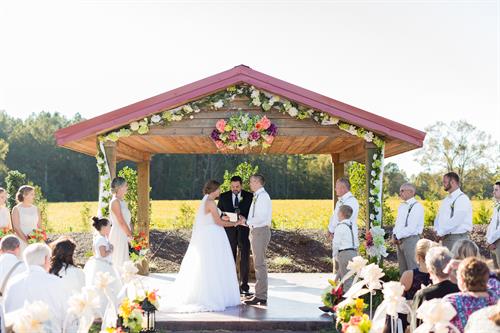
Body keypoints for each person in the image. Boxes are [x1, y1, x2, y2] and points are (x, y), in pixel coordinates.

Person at [161, 180, 244, 312]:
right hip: (212, 237)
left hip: (213, 235)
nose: (220, 191)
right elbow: (218, 222)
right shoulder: (210, 202)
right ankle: (212, 295)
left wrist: (229, 217)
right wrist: (237, 223)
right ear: (214, 190)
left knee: (212, 265)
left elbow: (216, 217)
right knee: (213, 265)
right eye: (219, 189)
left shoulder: (208, 201)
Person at [3, 243, 67, 332]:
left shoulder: (12, 282)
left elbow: (7, 313)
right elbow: (67, 315)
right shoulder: (56, 282)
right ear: (46, 259)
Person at [388, 239, 435, 332]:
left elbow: (397, 303)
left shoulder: (408, 276)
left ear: (418, 257)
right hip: (433, 325)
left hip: (411, 325)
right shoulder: (439, 277)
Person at [217, 175, 253, 296]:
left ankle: (244, 286)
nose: (235, 189)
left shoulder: (249, 196)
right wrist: (224, 216)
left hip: (244, 232)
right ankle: (230, 286)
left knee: (244, 259)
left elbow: (253, 213)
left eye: (237, 186)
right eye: (232, 187)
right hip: (229, 232)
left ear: (241, 185)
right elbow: (219, 212)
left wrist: (245, 218)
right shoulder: (223, 196)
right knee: (229, 259)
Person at [443, 257, 500, 332]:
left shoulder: (452, 301)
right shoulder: (495, 296)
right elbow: (492, 274)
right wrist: (464, 265)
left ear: (462, 280)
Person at [412, 246, 459, 329]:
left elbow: (416, 327)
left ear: (430, 270)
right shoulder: (459, 291)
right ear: (450, 269)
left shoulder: (423, 295)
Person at [242, 174, 272, 306]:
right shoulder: (258, 196)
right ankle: (259, 294)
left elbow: (260, 217)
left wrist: (246, 222)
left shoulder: (263, 197)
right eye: (250, 181)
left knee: (260, 264)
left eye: (253, 181)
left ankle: (261, 296)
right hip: (256, 231)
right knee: (258, 264)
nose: (251, 183)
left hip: (260, 231)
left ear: (260, 183)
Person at [84, 217, 121, 317]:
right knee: (106, 287)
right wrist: (111, 250)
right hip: (103, 266)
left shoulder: (101, 237)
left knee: (107, 287)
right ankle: (104, 308)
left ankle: (108, 306)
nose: (110, 228)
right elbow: (103, 254)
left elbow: (94, 251)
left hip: (103, 264)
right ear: (104, 227)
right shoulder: (101, 239)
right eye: (109, 226)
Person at [434, 172, 473, 251]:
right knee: (448, 263)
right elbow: (438, 217)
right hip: (445, 237)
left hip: (457, 238)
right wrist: (437, 230)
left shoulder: (462, 198)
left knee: (457, 263)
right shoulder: (446, 199)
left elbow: (456, 220)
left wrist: (440, 233)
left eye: (445, 182)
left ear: (452, 182)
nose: (443, 184)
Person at [328, 178, 360, 273]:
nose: (335, 189)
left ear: (343, 188)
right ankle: (339, 287)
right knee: (339, 270)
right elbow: (334, 217)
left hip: (347, 241)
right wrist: (331, 230)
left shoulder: (352, 201)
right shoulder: (339, 201)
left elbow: (344, 218)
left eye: (336, 187)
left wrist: (334, 230)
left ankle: (345, 287)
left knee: (348, 272)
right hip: (339, 237)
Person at [392, 183, 424, 275]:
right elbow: (398, 223)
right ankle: (404, 289)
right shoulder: (402, 206)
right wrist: (394, 235)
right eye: (400, 190)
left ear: (411, 192)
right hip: (400, 241)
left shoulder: (416, 206)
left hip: (411, 240)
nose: (400, 193)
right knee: (403, 270)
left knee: (413, 269)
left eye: (402, 190)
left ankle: (416, 289)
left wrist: (397, 236)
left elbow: (411, 228)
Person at [331, 205, 358, 290]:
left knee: (346, 280)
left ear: (342, 214)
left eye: (338, 212)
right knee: (353, 278)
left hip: (344, 253)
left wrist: (335, 255)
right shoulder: (353, 225)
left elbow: (336, 244)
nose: (337, 214)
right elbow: (356, 241)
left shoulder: (340, 226)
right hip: (354, 253)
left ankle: (347, 301)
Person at [108, 177, 133, 268]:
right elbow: (121, 221)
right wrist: (130, 235)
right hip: (118, 233)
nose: (127, 187)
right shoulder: (115, 202)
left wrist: (129, 234)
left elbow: (127, 220)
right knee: (118, 260)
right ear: (120, 187)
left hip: (124, 233)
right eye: (126, 185)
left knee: (123, 260)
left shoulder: (123, 202)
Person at [11, 185, 42, 253]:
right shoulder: (16, 209)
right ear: (24, 195)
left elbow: (39, 226)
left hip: (35, 240)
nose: (34, 196)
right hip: (21, 240)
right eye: (32, 194)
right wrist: (27, 241)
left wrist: (38, 239)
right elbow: (16, 228)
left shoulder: (36, 209)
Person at [486, 181, 500, 269]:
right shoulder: (497, 206)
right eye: (493, 190)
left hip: (498, 242)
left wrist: (490, 240)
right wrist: (488, 240)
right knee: (496, 272)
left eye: (496, 190)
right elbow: (492, 225)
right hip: (493, 243)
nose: (493, 192)